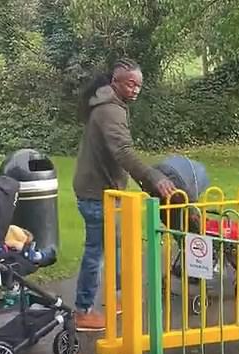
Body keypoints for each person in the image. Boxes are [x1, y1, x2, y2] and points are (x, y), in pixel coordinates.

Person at [72, 58, 176, 331]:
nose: (135, 89)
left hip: (105, 191)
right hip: (97, 194)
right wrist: (153, 176)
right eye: (130, 84)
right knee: (96, 252)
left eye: (139, 85)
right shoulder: (110, 111)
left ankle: (116, 298)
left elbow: (116, 155)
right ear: (115, 82)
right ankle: (82, 311)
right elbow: (123, 152)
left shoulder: (111, 105)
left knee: (114, 245)